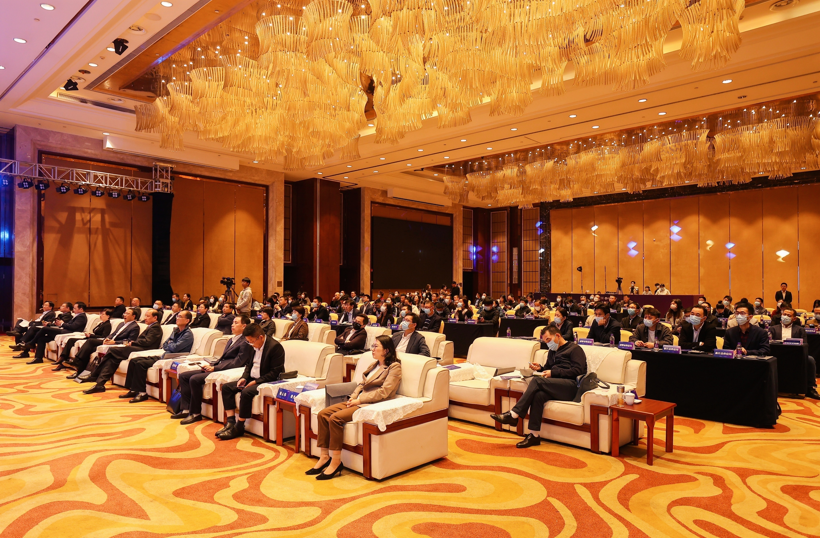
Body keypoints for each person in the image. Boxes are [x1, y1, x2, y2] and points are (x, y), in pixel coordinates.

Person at [309, 335, 402, 479]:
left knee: (335, 418)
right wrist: (353, 396)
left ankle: (336, 462)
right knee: (323, 414)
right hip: (358, 400)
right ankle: (324, 457)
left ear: (386, 350)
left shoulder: (394, 367)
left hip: (371, 403)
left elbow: (385, 392)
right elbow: (362, 384)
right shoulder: (374, 364)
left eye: (376, 346)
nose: (372, 349)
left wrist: (359, 401)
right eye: (372, 346)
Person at [491, 325, 587, 448]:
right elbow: (548, 368)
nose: (547, 343)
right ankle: (534, 435)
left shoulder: (575, 349)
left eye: (548, 340)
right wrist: (540, 368)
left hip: (570, 387)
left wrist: (554, 373)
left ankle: (514, 414)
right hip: (555, 385)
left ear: (557, 336)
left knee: (536, 381)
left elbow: (578, 371)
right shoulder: (552, 351)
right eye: (545, 341)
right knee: (538, 395)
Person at [172, 315, 255, 424]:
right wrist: (211, 364)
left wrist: (215, 368)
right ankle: (186, 409)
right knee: (184, 376)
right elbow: (223, 358)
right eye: (232, 322)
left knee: (194, 379)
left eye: (236, 323)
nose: (232, 325)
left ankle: (196, 413)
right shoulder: (232, 339)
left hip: (225, 370)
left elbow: (238, 362)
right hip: (219, 366)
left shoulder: (246, 341)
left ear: (244, 326)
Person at [216, 323, 285, 440]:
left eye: (251, 341)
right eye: (248, 341)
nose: (250, 344)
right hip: (252, 378)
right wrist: (244, 378)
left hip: (266, 380)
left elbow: (275, 372)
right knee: (227, 387)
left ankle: (239, 427)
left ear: (260, 337)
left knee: (246, 392)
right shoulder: (252, 345)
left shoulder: (275, 347)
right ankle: (230, 423)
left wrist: (256, 381)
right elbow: (248, 365)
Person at [82, 309, 163, 394]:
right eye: (145, 316)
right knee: (113, 359)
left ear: (155, 317)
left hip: (144, 349)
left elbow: (148, 342)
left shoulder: (156, 327)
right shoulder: (151, 326)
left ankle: (94, 375)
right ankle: (100, 384)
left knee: (112, 350)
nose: (145, 318)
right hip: (139, 347)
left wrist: (133, 343)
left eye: (148, 316)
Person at [121, 311, 194, 403]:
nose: (177, 318)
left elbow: (175, 348)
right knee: (134, 360)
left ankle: (142, 393)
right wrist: (170, 344)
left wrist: (170, 344)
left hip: (172, 357)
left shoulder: (187, 334)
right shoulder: (175, 330)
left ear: (187, 320)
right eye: (177, 316)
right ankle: (133, 389)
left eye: (180, 316)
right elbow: (165, 345)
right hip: (165, 355)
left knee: (141, 364)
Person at [68, 307, 141, 378]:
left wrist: (114, 342)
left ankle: (77, 361)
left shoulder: (135, 327)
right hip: (109, 341)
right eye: (125, 313)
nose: (124, 315)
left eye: (127, 313)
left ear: (133, 316)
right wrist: (107, 338)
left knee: (90, 341)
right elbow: (113, 334)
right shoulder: (121, 324)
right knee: (90, 348)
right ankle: (79, 371)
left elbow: (130, 341)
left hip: (116, 344)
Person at [769, 306, 818, 399]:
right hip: (777, 354)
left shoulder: (800, 329)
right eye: (784, 314)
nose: (785, 317)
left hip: (795, 355)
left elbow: (805, 345)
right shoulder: (773, 329)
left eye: (789, 315)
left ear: (794, 318)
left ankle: (810, 388)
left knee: (810, 360)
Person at [18, 302, 89, 364]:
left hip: (69, 333)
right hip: (64, 330)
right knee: (41, 339)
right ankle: (38, 358)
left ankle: (31, 343)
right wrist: (60, 324)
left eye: (75, 308)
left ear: (81, 309)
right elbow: (69, 325)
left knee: (44, 329)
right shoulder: (77, 316)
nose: (73, 309)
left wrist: (62, 324)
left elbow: (73, 327)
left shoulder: (81, 317)